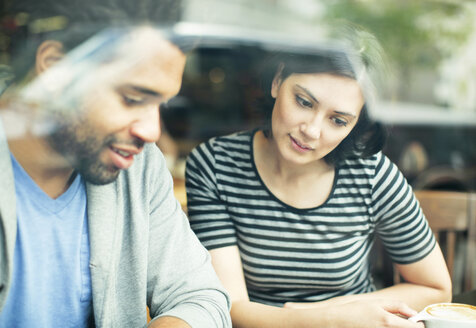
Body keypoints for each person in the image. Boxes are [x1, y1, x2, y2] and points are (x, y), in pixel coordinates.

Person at [0, 1, 231, 327]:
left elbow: (201, 297)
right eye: (132, 98)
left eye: (161, 104)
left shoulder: (139, 167)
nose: (152, 131)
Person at [185, 32, 452, 327]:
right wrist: (330, 319)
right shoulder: (216, 165)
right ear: (277, 82)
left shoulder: (372, 175)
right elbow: (230, 308)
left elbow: (436, 289)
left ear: (355, 124)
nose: (311, 131)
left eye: (338, 121)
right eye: (304, 102)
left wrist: (333, 313)